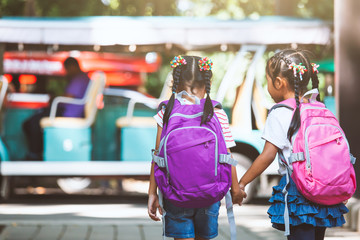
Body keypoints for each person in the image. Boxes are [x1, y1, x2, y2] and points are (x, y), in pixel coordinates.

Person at [237, 49, 349, 240]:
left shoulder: (280, 112)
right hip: (324, 188)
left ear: (279, 83)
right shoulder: (319, 107)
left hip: (300, 190)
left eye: (267, 80)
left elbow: (267, 156)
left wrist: (242, 183)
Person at [147, 55, 244, 240]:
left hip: (175, 194)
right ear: (208, 82)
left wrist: (152, 193)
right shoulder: (217, 112)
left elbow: (158, 156)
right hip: (209, 194)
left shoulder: (165, 112)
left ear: (175, 82)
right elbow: (227, 155)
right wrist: (236, 189)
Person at [23, 57, 90, 160]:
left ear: (72, 67)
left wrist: (54, 98)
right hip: (66, 111)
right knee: (34, 120)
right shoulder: (82, 78)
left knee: (33, 122)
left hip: (68, 114)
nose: (65, 72)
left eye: (66, 69)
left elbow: (67, 97)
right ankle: (38, 152)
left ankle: (34, 154)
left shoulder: (79, 78)